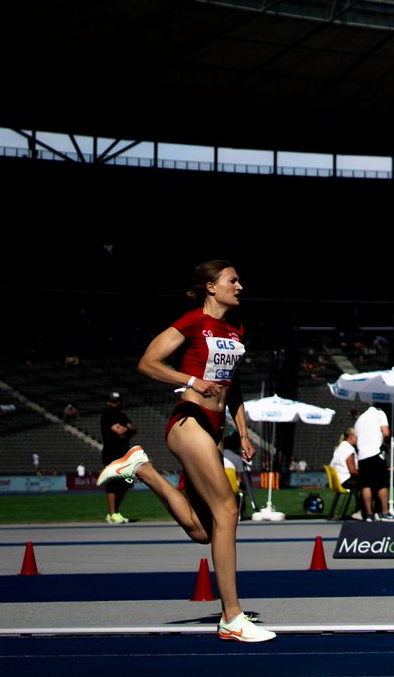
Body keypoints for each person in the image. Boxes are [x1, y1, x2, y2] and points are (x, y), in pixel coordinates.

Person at [99, 260, 272, 643]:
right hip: (188, 422)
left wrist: (242, 433)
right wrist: (192, 380)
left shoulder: (236, 328)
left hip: (213, 429)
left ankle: (142, 469)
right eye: (233, 280)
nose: (240, 286)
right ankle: (232, 617)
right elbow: (148, 363)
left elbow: (233, 387)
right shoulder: (194, 321)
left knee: (202, 530)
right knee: (229, 509)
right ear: (211, 287)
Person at [354, 403, 394, 521]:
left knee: (366, 485)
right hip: (375, 453)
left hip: (362, 455)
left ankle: (368, 513)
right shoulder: (380, 414)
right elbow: (386, 432)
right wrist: (384, 441)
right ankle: (384, 511)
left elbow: (357, 438)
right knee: (381, 483)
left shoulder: (360, 419)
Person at [100, 392, 137, 523]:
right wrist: (127, 429)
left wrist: (125, 429)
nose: (117, 403)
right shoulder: (107, 416)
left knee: (126, 484)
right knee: (112, 484)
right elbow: (123, 430)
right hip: (111, 454)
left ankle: (116, 512)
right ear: (108, 402)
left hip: (124, 454)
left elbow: (134, 429)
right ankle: (111, 514)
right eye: (114, 401)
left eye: (118, 401)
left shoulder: (122, 416)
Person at [328, 427, 363, 519]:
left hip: (339, 480)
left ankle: (360, 510)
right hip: (346, 480)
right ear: (351, 436)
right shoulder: (349, 449)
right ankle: (362, 511)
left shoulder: (339, 448)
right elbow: (352, 470)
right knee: (370, 484)